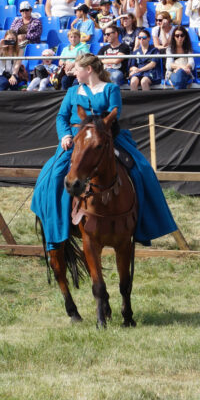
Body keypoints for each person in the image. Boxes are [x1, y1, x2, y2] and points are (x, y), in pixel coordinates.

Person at [31, 52, 176, 252]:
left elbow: (114, 115)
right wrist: (65, 136)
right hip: (76, 139)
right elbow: (61, 117)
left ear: (88, 69)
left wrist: (100, 133)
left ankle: (143, 224)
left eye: (76, 68)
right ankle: (58, 229)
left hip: (105, 137)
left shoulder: (111, 89)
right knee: (54, 175)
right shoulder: (73, 92)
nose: (73, 72)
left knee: (141, 169)